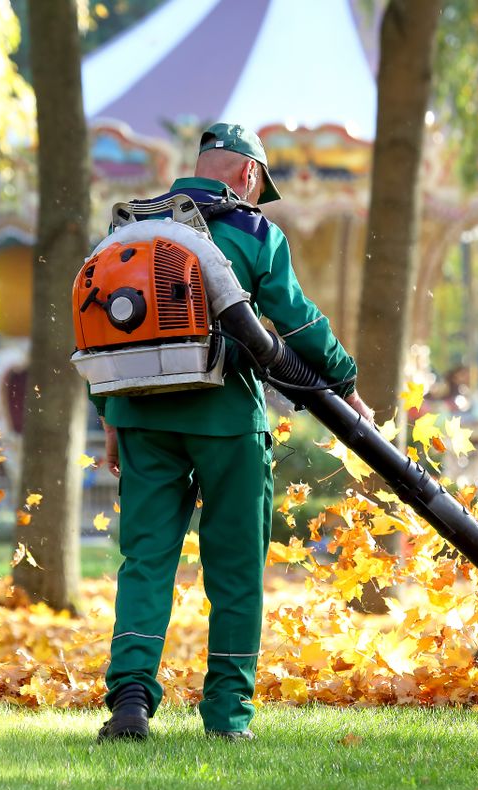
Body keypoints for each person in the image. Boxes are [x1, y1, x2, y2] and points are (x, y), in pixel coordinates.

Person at [89, 123, 372, 742]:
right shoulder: (252, 230)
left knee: (145, 562)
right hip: (225, 422)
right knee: (236, 568)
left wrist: (109, 417)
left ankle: (131, 698)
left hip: (139, 416)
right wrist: (345, 383)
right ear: (248, 174)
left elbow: (101, 326)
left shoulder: (127, 230)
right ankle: (226, 716)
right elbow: (295, 324)